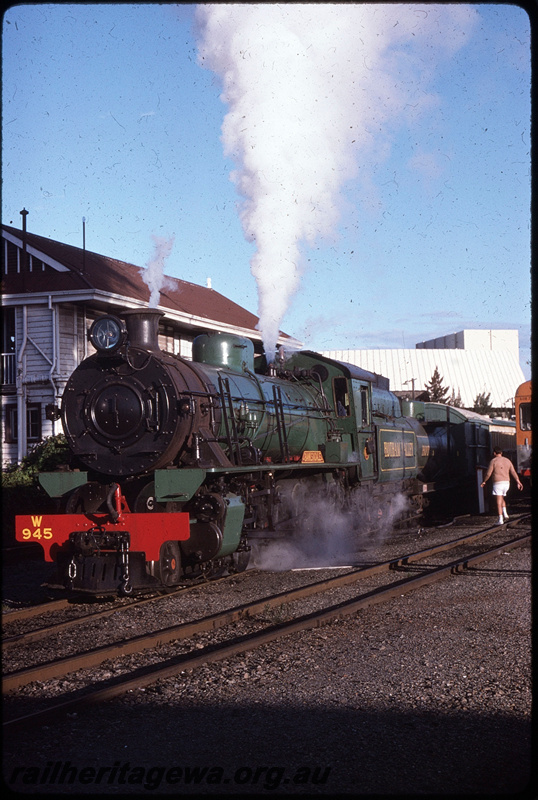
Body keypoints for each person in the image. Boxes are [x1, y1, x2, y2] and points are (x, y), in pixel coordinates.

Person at [481, 447, 523, 524]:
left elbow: (488, 473)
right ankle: (505, 513)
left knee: (498, 501)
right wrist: (518, 481)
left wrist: (484, 481)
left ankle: (500, 519)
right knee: (501, 497)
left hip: (498, 483)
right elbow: (513, 472)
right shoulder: (507, 460)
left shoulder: (493, 461)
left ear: (494, 453)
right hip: (507, 483)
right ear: (501, 453)